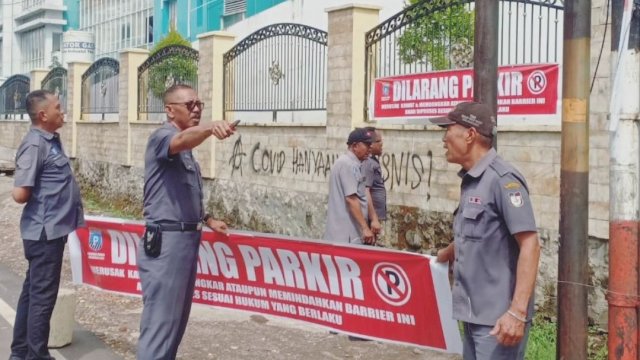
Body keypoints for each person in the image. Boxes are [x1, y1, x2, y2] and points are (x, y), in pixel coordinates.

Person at [431, 102, 541, 360]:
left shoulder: (503, 179)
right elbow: (481, 233)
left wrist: (516, 313)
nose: (443, 139)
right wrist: (447, 253)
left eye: (447, 130)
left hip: (499, 322)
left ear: (469, 135)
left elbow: (531, 244)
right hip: (472, 315)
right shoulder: (472, 179)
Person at [137, 84, 235, 359]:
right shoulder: (163, 137)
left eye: (199, 105)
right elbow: (182, 141)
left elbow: (178, 193)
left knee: (174, 325)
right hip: (167, 242)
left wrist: (207, 219)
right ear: (170, 110)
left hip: (185, 240)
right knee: (160, 325)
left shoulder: (186, 148)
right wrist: (209, 128)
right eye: (189, 105)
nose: (196, 109)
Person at [10, 90, 85, 360]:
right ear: (43, 115)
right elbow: (20, 193)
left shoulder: (51, 141)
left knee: (32, 295)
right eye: (58, 107)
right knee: (42, 299)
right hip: (44, 233)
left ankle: (20, 352)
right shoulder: (35, 144)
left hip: (51, 232)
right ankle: (36, 355)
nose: (62, 110)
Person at [323, 128, 375, 245]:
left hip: (345, 234)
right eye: (366, 144)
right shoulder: (348, 164)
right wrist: (365, 228)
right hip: (346, 236)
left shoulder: (352, 164)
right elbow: (351, 199)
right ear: (355, 146)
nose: (370, 148)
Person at [362, 127, 385, 242]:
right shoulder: (369, 163)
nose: (382, 144)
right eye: (379, 141)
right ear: (370, 145)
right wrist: (374, 219)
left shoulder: (373, 161)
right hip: (369, 218)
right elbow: (366, 191)